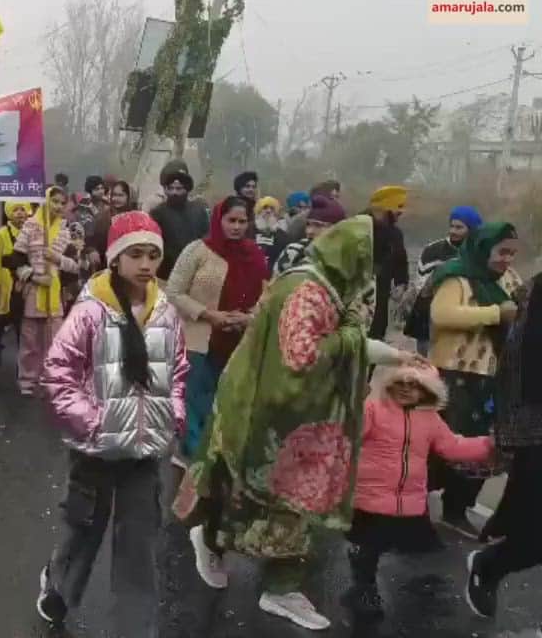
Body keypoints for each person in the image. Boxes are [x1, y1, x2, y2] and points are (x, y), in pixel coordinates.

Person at [181, 216, 417, 631]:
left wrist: (394, 356)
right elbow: (300, 356)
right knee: (261, 498)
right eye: (370, 265)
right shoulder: (306, 290)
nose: (371, 276)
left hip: (297, 418)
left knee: (286, 505)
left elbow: (344, 340)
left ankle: (279, 584)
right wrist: (354, 340)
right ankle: (220, 544)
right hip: (272, 415)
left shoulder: (329, 287)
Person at [35, 211, 187, 633]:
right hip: (96, 451)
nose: (145, 264)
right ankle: (59, 587)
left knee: (138, 547)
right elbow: (58, 372)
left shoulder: (166, 312)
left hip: (144, 454)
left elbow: (177, 372)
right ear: (115, 258)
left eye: (152, 255)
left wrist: (171, 417)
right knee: (82, 531)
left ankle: (135, 628)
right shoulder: (90, 312)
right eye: (135, 254)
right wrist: (93, 423)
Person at [343, 363, 493, 619]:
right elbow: (348, 436)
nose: (405, 389)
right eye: (400, 383)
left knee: (397, 543)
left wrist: (490, 445)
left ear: (426, 391)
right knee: (369, 543)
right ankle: (363, 587)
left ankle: (374, 574)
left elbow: (453, 446)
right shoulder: (373, 409)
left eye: (414, 385)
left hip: (408, 501)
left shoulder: (430, 420)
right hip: (370, 497)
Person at [427, 221, 522, 533]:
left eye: (512, 253)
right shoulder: (457, 277)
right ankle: (415, 503)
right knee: (443, 442)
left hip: (492, 375)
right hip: (453, 372)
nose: (506, 259)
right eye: (502, 252)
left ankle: (458, 505)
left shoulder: (509, 279)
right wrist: (496, 313)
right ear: (483, 248)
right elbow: (442, 315)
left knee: (481, 445)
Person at [165, 197, 266, 460]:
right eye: (231, 220)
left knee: (224, 404)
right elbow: (174, 292)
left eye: (242, 221)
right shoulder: (197, 251)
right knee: (194, 402)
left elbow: (265, 297)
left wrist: (246, 318)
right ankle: (194, 461)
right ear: (218, 220)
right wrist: (209, 315)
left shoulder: (254, 255)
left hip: (238, 342)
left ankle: (212, 460)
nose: (236, 227)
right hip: (198, 340)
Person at [470, 270, 542, 618]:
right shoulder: (538, 290)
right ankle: (490, 565)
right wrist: (514, 432)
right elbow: (522, 368)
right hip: (537, 427)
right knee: (533, 533)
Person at [15, 187, 78, 397]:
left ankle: (50, 380)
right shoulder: (31, 225)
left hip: (55, 293)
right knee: (30, 340)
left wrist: (57, 259)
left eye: (62, 203)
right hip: (33, 291)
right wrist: (32, 275)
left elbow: (76, 266)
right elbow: (15, 259)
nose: (59, 206)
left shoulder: (65, 230)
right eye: (55, 201)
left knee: (54, 340)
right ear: (45, 201)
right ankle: (27, 380)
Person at [403, 206, 482, 355]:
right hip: (430, 315)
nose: (453, 231)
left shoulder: (480, 253)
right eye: (451, 226)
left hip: (466, 316)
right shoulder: (433, 250)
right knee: (427, 364)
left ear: (472, 230)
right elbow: (421, 282)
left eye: (459, 227)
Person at [365, 186, 410, 340]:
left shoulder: (395, 233)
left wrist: (401, 283)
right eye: (399, 207)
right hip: (360, 299)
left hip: (382, 297)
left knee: (377, 337)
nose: (401, 212)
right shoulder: (360, 228)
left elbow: (400, 260)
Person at [149, 167, 209, 280]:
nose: (174, 192)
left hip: (194, 269)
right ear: (165, 190)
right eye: (170, 188)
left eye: (178, 188)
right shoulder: (157, 213)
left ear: (187, 190)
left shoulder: (199, 211)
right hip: (166, 272)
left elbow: (206, 237)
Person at [0, 200, 30, 366]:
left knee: (22, 322)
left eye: (23, 209)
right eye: (15, 210)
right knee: (1, 319)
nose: (20, 213)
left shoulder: (32, 232)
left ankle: (23, 358)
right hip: (6, 283)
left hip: (25, 282)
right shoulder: (1, 233)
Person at [271, 195, 346, 276]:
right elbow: (275, 284)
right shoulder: (293, 251)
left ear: (336, 229)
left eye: (318, 225)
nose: (309, 231)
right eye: (308, 224)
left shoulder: (347, 259)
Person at [253, 196, 281, 269]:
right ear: (259, 211)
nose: (268, 211)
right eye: (265, 208)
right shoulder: (249, 230)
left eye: (272, 208)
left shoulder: (281, 235)